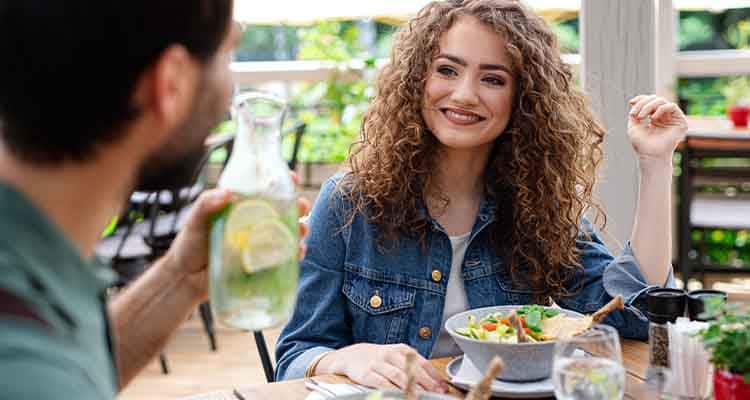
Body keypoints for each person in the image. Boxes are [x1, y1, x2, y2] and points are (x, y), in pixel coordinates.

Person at [275, 0, 687, 393]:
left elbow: (635, 315)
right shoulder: (349, 203)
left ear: (523, 99)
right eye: (447, 70)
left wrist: (655, 165)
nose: (465, 94)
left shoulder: (538, 206)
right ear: (419, 78)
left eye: (492, 78)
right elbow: (296, 355)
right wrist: (350, 359)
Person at [0, 1, 308, 398]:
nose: (231, 92)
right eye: (227, 56)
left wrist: (178, 279)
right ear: (171, 83)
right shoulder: (26, 372)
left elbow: (74, 363)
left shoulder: (33, 257)